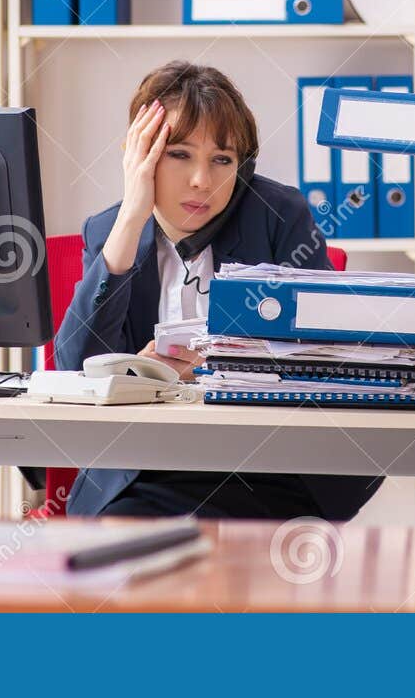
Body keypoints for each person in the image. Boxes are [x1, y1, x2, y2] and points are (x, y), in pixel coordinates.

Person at [55, 60, 380, 520]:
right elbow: (73, 368)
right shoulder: (109, 230)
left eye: (222, 160)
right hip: (148, 472)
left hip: (267, 469)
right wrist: (131, 218)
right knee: (130, 546)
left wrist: (218, 368)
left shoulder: (279, 215)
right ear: (141, 153)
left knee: (210, 545)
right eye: (180, 154)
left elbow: (330, 356)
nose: (201, 182)